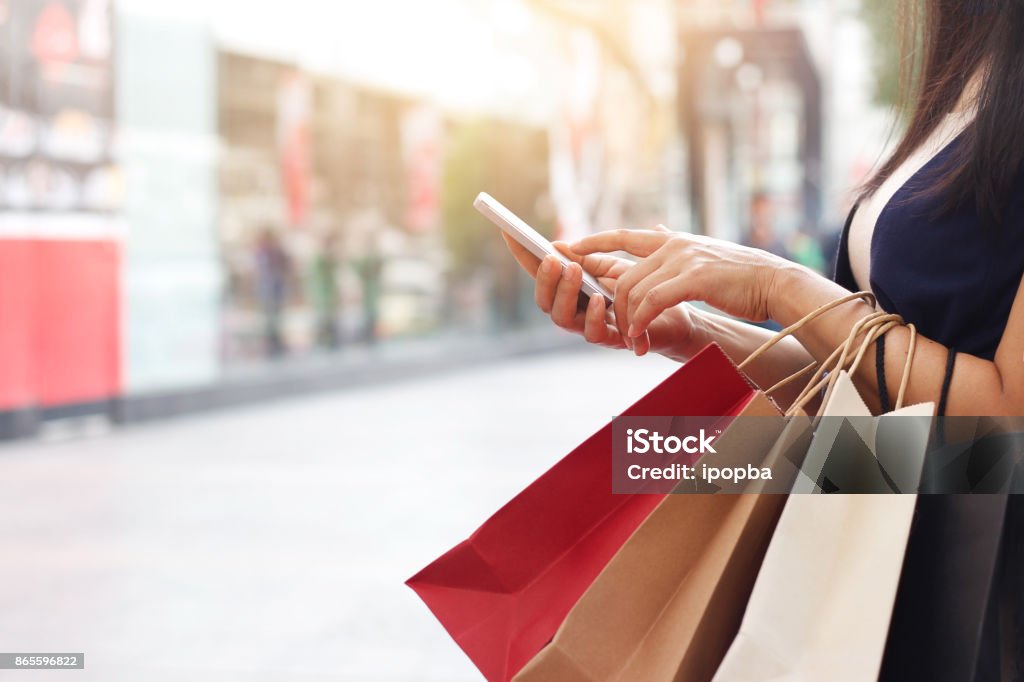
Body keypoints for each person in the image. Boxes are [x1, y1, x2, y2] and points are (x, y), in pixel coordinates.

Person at [503, 0, 1022, 672]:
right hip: (893, 522)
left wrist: (778, 285)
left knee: (650, 460)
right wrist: (694, 325)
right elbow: (860, 382)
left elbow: (1007, 428)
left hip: (981, 577)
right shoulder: (968, 80)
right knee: (643, 458)